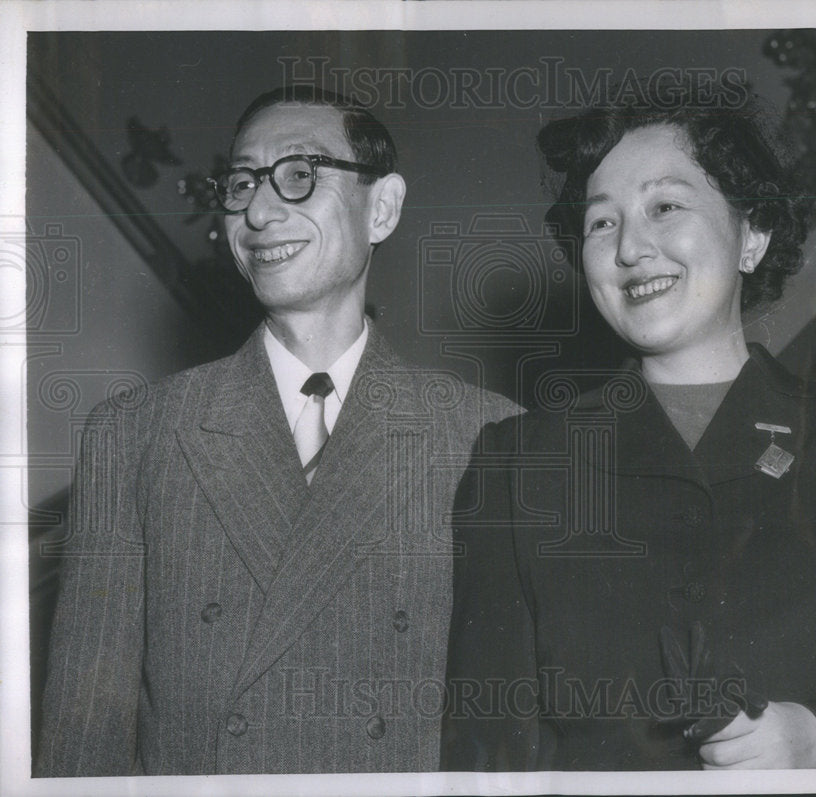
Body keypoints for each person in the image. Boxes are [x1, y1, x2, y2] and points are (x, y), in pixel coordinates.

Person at [441, 83, 816, 770]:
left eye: (665, 206)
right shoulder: (517, 464)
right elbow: (487, 757)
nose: (631, 247)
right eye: (602, 223)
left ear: (752, 235)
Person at [36, 86, 517, 776]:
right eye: (240, 183)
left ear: (382, 207)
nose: (258, 212)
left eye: (298, 176)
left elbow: (507, 733)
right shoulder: (133, 434)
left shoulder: (489, 432)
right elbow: (86, 729)